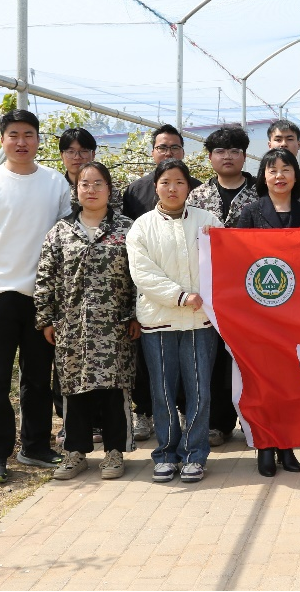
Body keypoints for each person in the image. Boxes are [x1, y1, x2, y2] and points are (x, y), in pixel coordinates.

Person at [0, 109, 71, 483]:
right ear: (2, 140)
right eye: (14, 135)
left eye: (28, 135)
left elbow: (64, 237)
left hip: (41, 294)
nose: (21, 142)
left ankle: (35, 446)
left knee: (38, 377)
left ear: (38, 140)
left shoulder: (55, 183)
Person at [35, 162, 138, 481]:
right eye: (84, 184)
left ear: (109, 189)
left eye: (97, 184)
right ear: (75, 190)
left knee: (114, 389)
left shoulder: (127, 229)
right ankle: (75, 452)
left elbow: (139, 276)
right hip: (72, 326)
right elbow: (46, 276)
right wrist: (46, 318)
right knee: (74, 388)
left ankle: (115, 452)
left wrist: (136, 314)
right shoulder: (60, 231)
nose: (91, 190)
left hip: (115, 326)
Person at [125, 159, 222, 484]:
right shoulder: (142, 227)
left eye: (179, 182)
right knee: (162, 392)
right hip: (159, 322)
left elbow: (224, 260)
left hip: (199, 321)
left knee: (199, 391)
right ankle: (166, 454)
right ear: (156, 186)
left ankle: (194, 455)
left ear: (188, 186)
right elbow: (143, 274)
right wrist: (180, 296)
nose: (172, 188)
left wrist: (202, 298)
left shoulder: (208, 221)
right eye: (165, 182)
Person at [233, 148, 300, 477]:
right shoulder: (251, 213)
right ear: (263, 176)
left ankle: (287, 445)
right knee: (262, 384)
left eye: (286, 169)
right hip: (260, 314)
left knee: (291, 384)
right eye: (272, 170)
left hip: (297, 315)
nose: (279, 175)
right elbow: (236, 258)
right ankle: (265, 446)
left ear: (296, 176)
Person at [120, 124, 202, 443]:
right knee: (155, 376)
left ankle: (190, 438)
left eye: (174, 147)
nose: (172, 188)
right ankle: (154, 429)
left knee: (195, 379)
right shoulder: (135, 197)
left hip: (196, 308)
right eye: (162, 147)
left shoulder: (202, 205)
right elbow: (139, 263)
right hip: (155, 306)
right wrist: (174, 295)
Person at [186, 125, 255, 448]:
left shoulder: (259, 193)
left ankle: (254, 418)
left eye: (234, 151)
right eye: (220, 151)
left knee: (248, 357)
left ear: (245, 156)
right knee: (213, 359)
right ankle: (217, 423)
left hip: (250, 291)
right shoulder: (197, 196)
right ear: (210, 157)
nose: (227, 157)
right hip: (209, 291)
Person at [59, 127, 121, 213]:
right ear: (62, 155)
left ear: (93, 154)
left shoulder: (109, 191)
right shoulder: (56, 189)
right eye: (70, 152)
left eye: (83, 151)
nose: (77, 157)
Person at [267, 119, 300, 188]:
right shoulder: (258, 183)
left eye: (289, 139)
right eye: (278, 140)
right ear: (269, 145)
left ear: (299, 145)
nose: (284, 144)